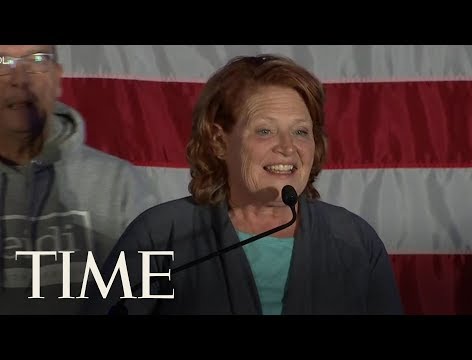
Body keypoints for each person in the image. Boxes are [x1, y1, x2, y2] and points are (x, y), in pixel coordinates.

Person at [82, 54, 404, 315]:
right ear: (220, 142)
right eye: (265, 131)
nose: (287, 147)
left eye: (301, 132)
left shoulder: (356, 242)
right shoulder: (159, 235)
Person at [0, 45, 159, 314]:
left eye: (38, 59)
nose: (20, 78)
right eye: (2, 61)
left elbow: (151, 297)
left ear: (57, 78)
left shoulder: (117, 182)